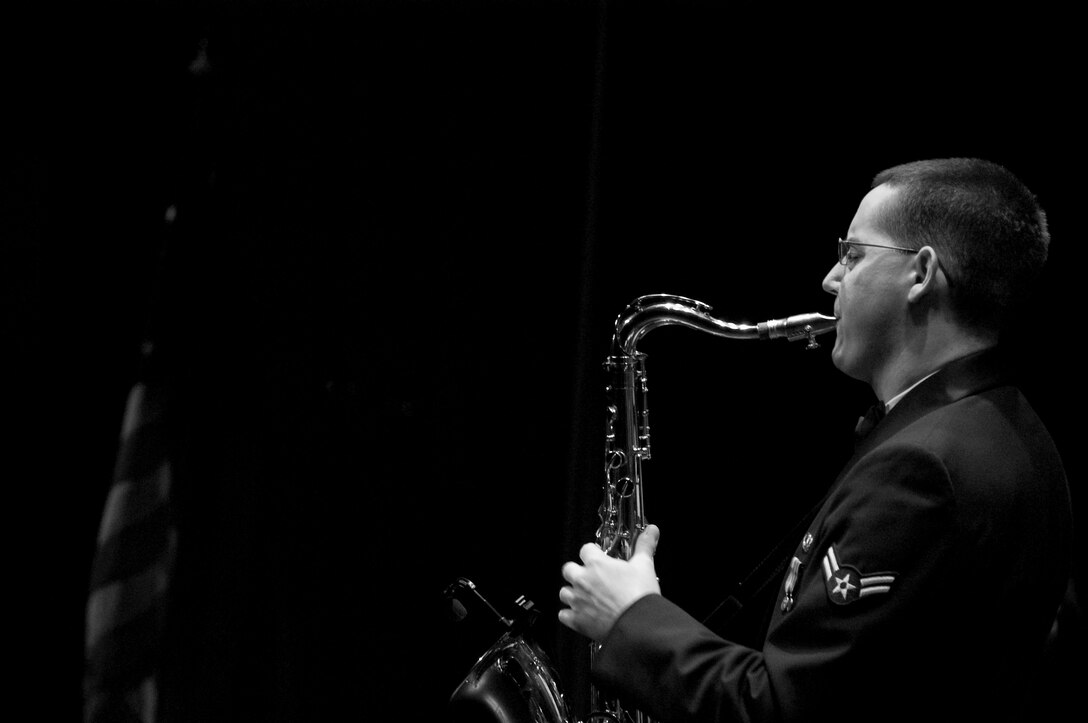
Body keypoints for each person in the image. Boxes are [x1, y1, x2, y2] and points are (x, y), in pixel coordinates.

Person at [558, 158, 1075, 722]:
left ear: (921, 273)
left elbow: (787, 710)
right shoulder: (1008, 429)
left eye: (852, 255)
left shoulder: (922, 468)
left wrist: (632, 617)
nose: (831, 279)